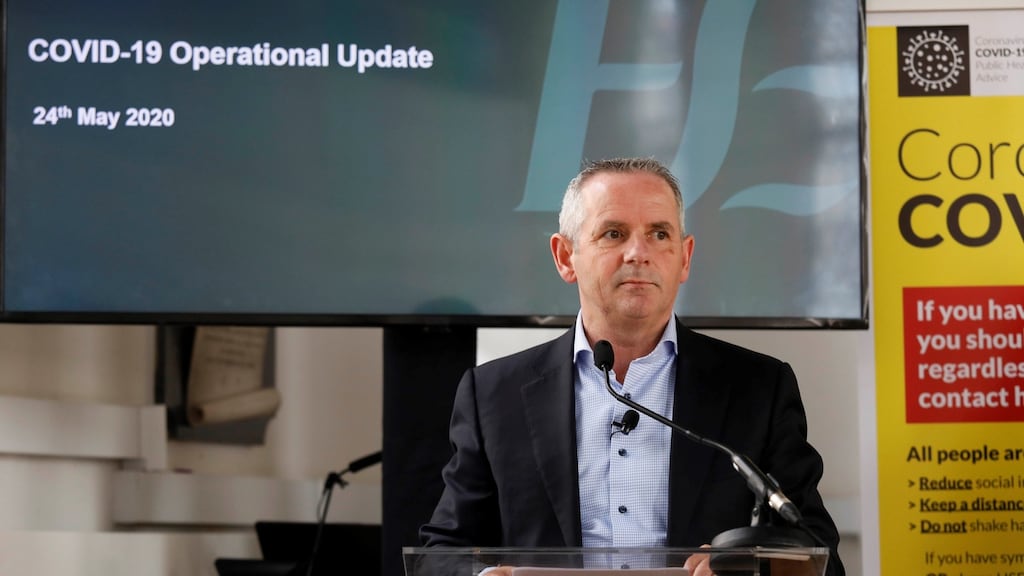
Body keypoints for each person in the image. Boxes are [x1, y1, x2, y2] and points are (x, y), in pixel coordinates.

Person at [419, 157, 844, 576]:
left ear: (685, 257)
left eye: (660, 234)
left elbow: (816, 550)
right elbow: (441, 552)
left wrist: (743, 570)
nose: (638, 253)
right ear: (566, 256)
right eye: (614, 233)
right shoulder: (494, 394)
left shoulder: (759, 389)